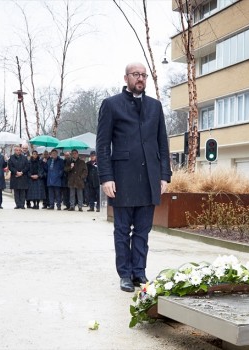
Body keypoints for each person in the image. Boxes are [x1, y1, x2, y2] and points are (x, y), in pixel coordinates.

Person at [96, 62, 172, 292]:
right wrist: (106, 177)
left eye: (143, 75)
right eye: (136, 74)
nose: (140, 78)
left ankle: (139, 272)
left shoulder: (155, 106)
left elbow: (162, 143)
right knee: (122, 230)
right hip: (122, 179)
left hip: (149, 178)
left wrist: (164, 175)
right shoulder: (111, 105)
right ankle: (125, 274)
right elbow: (102, 145)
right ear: (126, 77)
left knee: (143, 230)